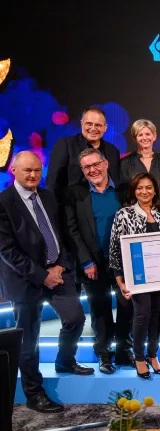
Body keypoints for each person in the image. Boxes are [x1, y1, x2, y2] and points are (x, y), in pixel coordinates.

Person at [0, 151, 92, 413]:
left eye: (37, 170)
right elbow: (7, 251)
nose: (33, 175)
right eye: (27, 170)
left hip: (57, 271)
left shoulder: (48, 196)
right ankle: (34, 393)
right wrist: (43, 275)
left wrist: (61, 264)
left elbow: (59, 234)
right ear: (14, 171)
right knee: (28, 341)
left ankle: (65, 360)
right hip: (24, 280)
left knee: (75, 318)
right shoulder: (3, 202)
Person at [63, 148, 133, 374]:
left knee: (127, 306)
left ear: (105, 164)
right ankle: (103, 353)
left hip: (124, 262)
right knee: (100, 310)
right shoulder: (75, 193)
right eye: (87, 167)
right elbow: (72, 231)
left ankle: (124, 350)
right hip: (93, 263)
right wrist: (85, 261)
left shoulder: (124, 189)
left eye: (95, 164)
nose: (92, 170)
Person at [109, 173, 160, 379]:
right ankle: (139, 358)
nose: (144, 192)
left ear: (155, 191)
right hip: (137, 278)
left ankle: (153, 356)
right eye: (139, 188)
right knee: (142, 315)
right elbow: (114, 249)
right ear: (134, 191)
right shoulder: (124, 214)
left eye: (148, 187)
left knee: (156, 316)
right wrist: (120, 281)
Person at [46, 106, 121, 200]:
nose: (93, 128)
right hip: (73, 206)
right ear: (81, 123)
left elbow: (116, 182)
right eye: (89, 124)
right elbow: (53, 182)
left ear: (105, 127)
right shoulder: (66, 145)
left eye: (98, 125)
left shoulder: (113, 151)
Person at [120, 119, 160, 196]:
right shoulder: (125, 163)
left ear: (154, 136)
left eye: (147, 134)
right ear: (135, 138)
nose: (144, 138)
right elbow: (124, 191)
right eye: (140, 135)